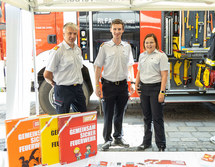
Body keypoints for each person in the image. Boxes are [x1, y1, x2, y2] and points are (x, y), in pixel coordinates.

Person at [94, 19, 135, 151]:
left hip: (122, 86)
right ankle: (107, 140)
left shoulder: (127, 47)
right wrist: (97, 86)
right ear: (111, 30)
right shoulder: (104, 47)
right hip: (108, 85)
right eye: (114, 29)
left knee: (120, 114)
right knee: (108, 114)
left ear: (123, 30)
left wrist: (132, 82)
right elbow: (98, 67)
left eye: (119, 29)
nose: (117, 32)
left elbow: (130, 66)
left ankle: (118, 137)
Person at [44, 22, 87, 114]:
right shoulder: (58, 51)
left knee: (82, 118)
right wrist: (54, 84)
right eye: (69, 33)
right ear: (63, 34)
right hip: (63, 90)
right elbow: (47, 74)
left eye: (75, 33)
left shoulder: (77, 49)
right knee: (63, 120)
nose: (72, 36)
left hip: (78, 89)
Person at [135, 33, 168, 152]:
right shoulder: (142, 56)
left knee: (157, 117)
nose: (149, 44)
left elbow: (164, 75)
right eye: (147, 42)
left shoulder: (161, 56)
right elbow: (139, 71)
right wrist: (136, 85)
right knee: (146, 117)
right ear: (144, 44)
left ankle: (161, 144)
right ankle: (146, 142)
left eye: (151, 42)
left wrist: (162, 92)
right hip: (144, 89)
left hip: (156, 89)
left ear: (156, 43)